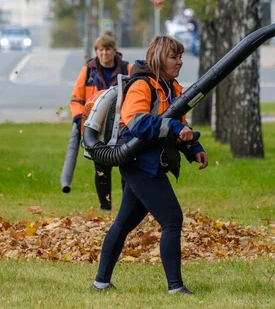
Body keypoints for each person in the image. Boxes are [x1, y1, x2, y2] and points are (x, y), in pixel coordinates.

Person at [91, 35, 209, 295]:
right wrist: (177, 127)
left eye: (180, 56)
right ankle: (175, 288)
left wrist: (194, 149)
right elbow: (136, 122)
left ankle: (100, 283)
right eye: (173, 57)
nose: (179, 62)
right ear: (158, 59)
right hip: (138, 163)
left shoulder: (172, 88)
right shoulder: (143, 85)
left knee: (123, 224)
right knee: (172, 219)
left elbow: (179, 129)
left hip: (150, 162)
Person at [70, 31, 132, 210]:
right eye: (100, 50)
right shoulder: (88, 71)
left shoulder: (127, 69)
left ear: (114, 51)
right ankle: (105, 206)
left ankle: (127, 208)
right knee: (101, 168)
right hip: (97, 126)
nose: (104, 54)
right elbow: (76, 99)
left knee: (126, 167)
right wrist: (78, 118)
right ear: (96, 51)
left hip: (121, 126)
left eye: (107, 49)